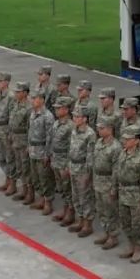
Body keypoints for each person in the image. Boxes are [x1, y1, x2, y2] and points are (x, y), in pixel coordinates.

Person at [114, 124, 140, 263]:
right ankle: (131, 245)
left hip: (135, 194)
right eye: (124, 138)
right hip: (123, 192)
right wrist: (115, 188)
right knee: (125, 222)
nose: (125, 141)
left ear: (136, 140)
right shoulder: (122, 153)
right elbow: (117, 172)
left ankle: (139, 248)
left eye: (128, 138)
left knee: (137, 224)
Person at [92, 116, 122, 249]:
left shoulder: (116, 147)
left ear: (110, 129)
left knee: (111, 211)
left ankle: (113, 236)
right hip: (98, 181)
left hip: (108, 183)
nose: (99, 130)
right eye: (98, 128)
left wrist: (114, 189)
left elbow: (117, 171)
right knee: (101, 210)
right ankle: (106, 232)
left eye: (102, 128)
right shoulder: (99, 143)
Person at [67, 106, 97, 236]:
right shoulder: (74, 130)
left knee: (85, 197)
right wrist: (69, 164)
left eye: (77, 117)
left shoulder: (90, 134)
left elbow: (90, 156)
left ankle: (87, 224)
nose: (75, 119)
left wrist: (88, 174)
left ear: (85, 119)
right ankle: (80, 220)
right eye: (74, 116)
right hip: (73, 167)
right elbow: (71, 149)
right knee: (76, 196)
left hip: (83, 169)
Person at [27, 89, 56, 215]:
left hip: (42, 151)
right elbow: (30, 131)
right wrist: (29, 145)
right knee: (36, 177)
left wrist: (47, 154)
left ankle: (48, 202)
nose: (32, 100)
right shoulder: (33, 113)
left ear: (42, 100)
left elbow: (50, 137)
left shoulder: (48, 116)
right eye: (32, 98)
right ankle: (41, 199)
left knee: (45, 178)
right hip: (33, 150)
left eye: (35, 98)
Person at [50, 97, 76, 226]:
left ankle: (70, 211)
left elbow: (73, 148)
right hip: (56, 160)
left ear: (66, 110)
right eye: (55, 108)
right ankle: (65, 209)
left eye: (59, 108)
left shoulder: (71, 126)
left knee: (67, 188)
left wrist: (68, 166)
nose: (56, 110)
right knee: (61, 188)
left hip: (64, 162)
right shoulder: (56, 123)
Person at [8, 82, 33, 203]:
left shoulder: (29, 108)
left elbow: (30, 128)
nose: (16, 94)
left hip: (23, 141)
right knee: (19, 166)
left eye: (18, 92)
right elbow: (12, 121)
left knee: (26, 168)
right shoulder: (15, 104)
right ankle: (23, 190)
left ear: (25, 93)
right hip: (16, 139)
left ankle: (30, 193)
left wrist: (29, 144)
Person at [0, 71, 16, 194]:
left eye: (0, 81)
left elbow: (12, 116)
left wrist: (11, 133)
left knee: (10, 157)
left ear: (6, 82)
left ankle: (12, 183)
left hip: (7, 130)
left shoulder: (11, 96)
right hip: (0, 130)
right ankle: (7, 180)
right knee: (2, 156)